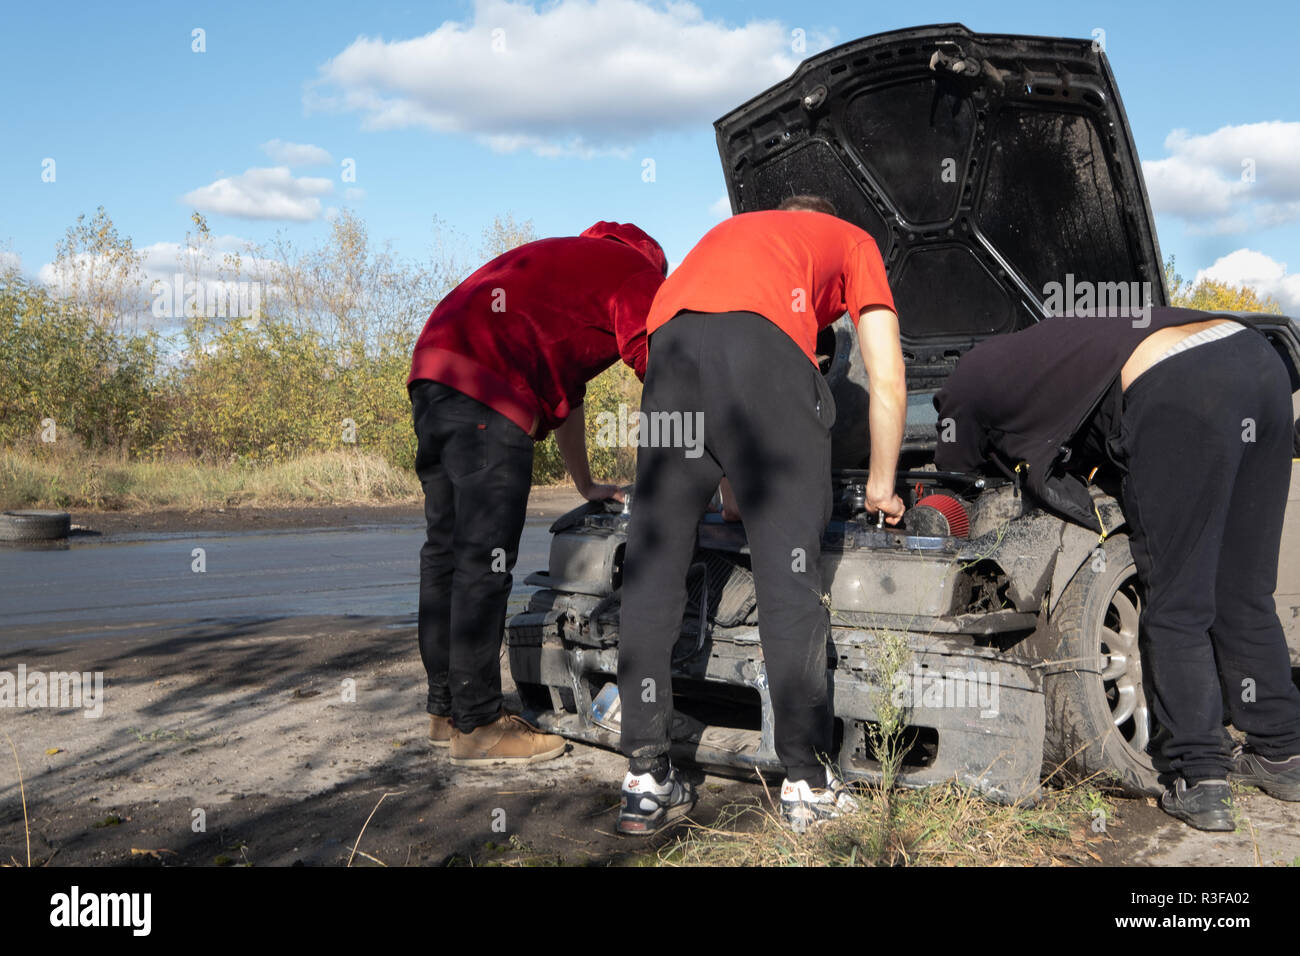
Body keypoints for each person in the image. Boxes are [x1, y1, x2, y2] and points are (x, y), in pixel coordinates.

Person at [934, 305, 1300, 830]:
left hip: (1180, 385)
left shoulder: (968, 379)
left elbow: (956, 485)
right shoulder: (1058, 353)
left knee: (1177, 601)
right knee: (1242, 591)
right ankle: (1284, 749)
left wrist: (947, 499)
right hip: (1257, 363)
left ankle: (1201, 778)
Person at [614, 195, 906, 834]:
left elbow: (711, 395)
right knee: (789, 576)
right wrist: (882, 485)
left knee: (654, 568)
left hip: (671, 344)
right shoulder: (852, 237)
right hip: (761, 345)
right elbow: (886, 377)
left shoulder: (732, 233)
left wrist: (727, 479)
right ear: (824, 215)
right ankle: (806, 782)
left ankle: (644, 778)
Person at [408, 221, 666, 766]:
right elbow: (660, 367)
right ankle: (477, 726)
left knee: (446, 553)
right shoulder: (639, 275)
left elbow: (566, 397)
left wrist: (586, 484)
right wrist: (703, 462)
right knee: (484, 561)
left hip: (432, 372)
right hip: (487, 388)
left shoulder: (563, 269)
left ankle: (445, 710)